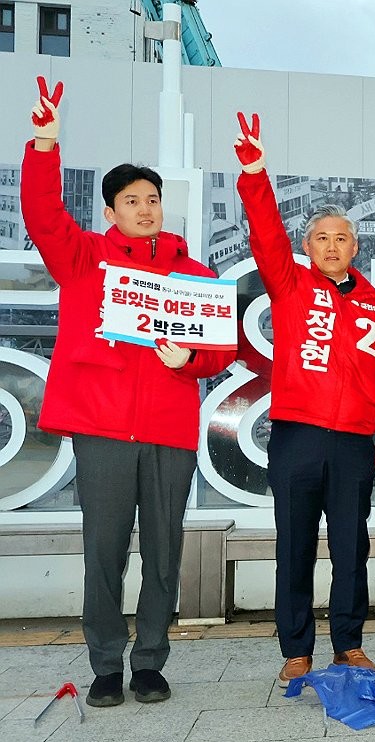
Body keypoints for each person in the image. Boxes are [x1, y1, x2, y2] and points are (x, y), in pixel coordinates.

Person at [21, 77, 236, 706]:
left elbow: (219, 350)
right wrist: (44, 141)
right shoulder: (84, 258)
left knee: (165, 554)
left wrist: (191, 356)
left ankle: (150, 661)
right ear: (110, 211)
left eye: (153, 199)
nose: (146, 208)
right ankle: (106, 666)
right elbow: (40, 214)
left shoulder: (192, 273)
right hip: (104, 429)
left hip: (169, 429)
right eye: (132, 200)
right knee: (105, 552)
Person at [232, 113, 375, 686]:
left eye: (343, 238)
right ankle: (296, 648)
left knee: (353, 547)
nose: (333, 246)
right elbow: (265, 234)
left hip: (356, 440)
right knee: (296, 545)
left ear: (357, 246)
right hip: (298, 434)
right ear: (308, 247)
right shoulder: (290, 283)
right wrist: (255, 172)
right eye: (322, 238)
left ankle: (349, 644)